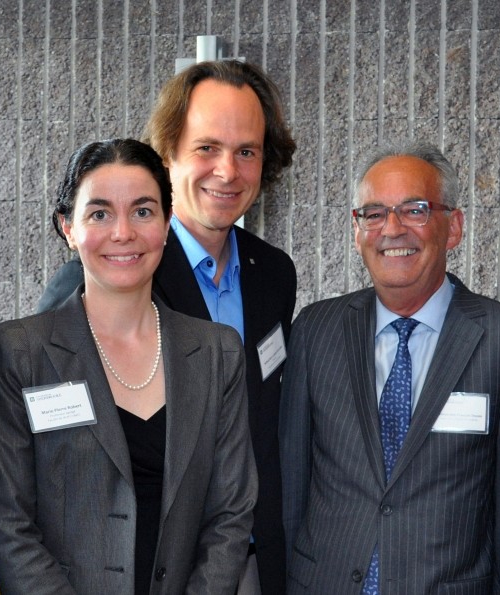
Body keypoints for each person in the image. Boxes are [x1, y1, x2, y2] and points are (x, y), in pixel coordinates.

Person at [0, 138, 258, 594]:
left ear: (167, 224)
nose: (123, 232)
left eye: (144, 211)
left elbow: (230, 514)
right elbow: (10, 528)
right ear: (68, 227)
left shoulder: (217, 352)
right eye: (100, 213)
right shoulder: (19, 353)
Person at [280, 143, 500, 594]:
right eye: (375, 213)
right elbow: (292, 481)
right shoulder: (315, 330)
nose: (393, 229)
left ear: (454, 227)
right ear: (357, 229)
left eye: (415, 210)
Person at [144, 60, 297, 595]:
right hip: (160, 568)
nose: (228, 171)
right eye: (207, 148)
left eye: (247, 152)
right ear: (167, 154)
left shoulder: (274, 274)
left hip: (257, 562)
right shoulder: (123, 270)